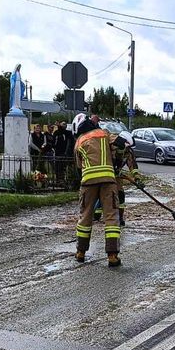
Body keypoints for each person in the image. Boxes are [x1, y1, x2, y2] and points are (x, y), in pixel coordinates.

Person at [72, 113, 123, 267]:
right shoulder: (104, 134)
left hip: (88, 183)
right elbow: (121, 143)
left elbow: (79, 167)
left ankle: (80, 252)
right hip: (108, 181)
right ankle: (112, 256)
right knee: (111, 217)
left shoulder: (79, 142)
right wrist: (116, 163)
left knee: (85, 217)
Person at [52, 121, 72, 187]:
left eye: (65, 124)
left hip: (65, 153)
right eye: (63, 124)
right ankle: (58, 180)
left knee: (63, 168)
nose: (64, 125)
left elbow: (70, 139)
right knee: (57, 168)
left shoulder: (67, 133)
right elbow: (53, 142)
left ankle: (63, 181)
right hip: (58, 153)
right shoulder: (56, 133)